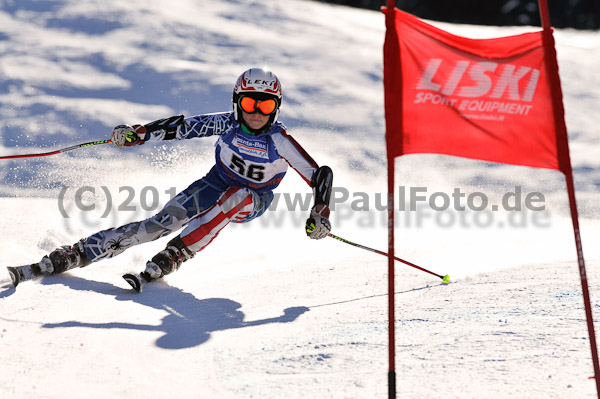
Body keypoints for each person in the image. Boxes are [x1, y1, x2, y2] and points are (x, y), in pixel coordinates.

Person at [17, 68, 333, 288]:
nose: (257, 112)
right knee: (161, 221)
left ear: (276, 109)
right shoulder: (226, 124)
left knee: (237, 198)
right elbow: (180, 128)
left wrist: (320, 213)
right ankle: (80, 252)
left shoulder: (280, 141)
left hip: (254, 198)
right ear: (237, 102)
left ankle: (178, 252)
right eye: (250, 103)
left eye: (266, 105)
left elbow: (320, 175)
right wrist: (137, 135)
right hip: (215, 183)